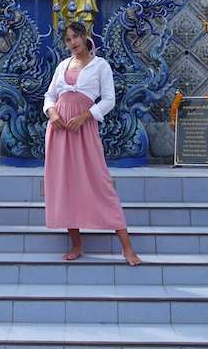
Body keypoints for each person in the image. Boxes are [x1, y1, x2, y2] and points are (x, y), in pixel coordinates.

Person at [43, 21, 142, 265]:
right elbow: (49, 96)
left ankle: (127, 248)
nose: (73, 42)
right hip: (59, 132)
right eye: (68, 39)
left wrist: (87, 116)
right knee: (66, 186)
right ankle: (76, 245)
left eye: (76, 37)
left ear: (85, 36)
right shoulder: (62, 66)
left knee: (101, 183)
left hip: (84, 130)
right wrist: (53, 114)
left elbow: (109, 100)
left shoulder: (101, 66)